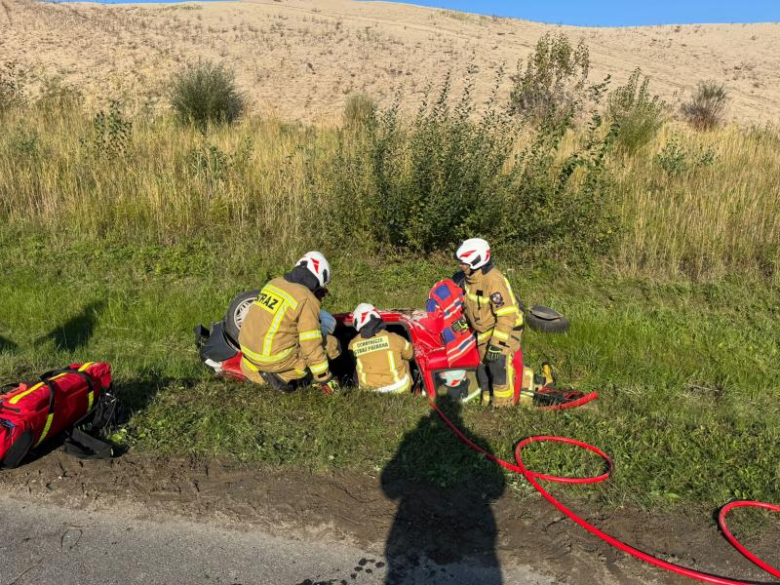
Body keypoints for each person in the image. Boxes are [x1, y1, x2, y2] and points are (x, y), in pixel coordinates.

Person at [239, 251, 340, 394]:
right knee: (331, 344)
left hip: (248, 353)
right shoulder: (306, 298)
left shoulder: (274, 283)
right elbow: (310, 343)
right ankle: (282, 378)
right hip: (271, 358)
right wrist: (324, 377)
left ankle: (257, 376)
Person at [453, 238, 523, 408]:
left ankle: (503, 405)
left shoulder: (493, 281)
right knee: (483, 368)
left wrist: (497, 344)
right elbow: (473, 306)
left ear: (477, 261)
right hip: (485, 330)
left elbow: (506, 316)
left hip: (507, 329)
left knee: (498, 362)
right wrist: (464, 321)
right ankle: (486, 404)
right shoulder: (470, 279)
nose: (460, 266)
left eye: (464, 263)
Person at [348, 303, 414, 394]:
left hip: (369, 393)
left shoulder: (352, 344)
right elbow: (411, 355)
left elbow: (354, 362)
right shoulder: (395, 338)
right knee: (404, 359)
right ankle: (412, 392)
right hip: (399, 389)